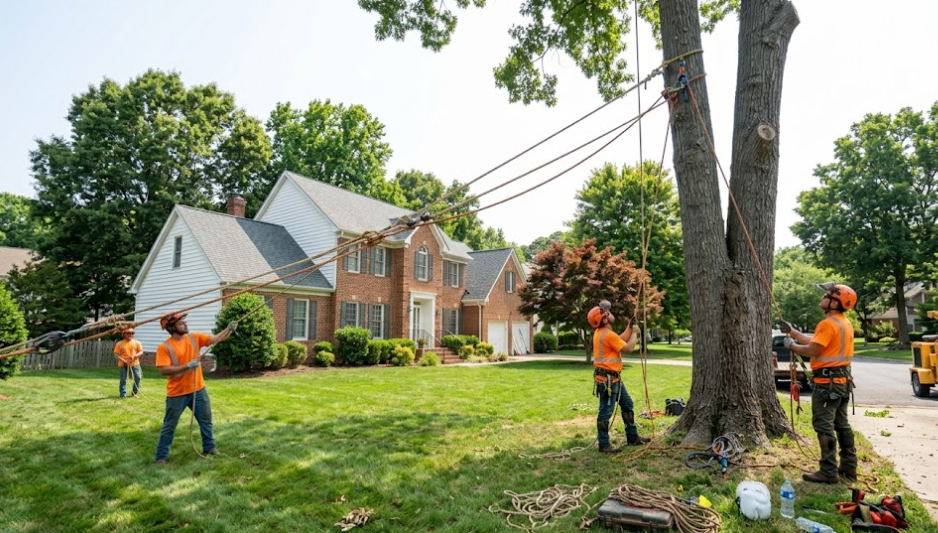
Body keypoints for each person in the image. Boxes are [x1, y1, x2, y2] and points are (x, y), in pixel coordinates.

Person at [781, 282, 858, 484]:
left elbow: (812, 350)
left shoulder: (827, 324)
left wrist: (792, 346)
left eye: (826, 295)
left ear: (834, 302)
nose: (822, 298)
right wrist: (793, 332)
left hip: (827, 384)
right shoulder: (843, 322)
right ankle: (849, 468)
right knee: (842, 425)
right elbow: (817, 341)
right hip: (842, 382)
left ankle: (828, 471)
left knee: (824, 427)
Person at [154, 311, 237, 464]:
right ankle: (161, 457)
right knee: (169, 426)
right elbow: (163, 370)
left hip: (198, 389)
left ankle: (209, 448)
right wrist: (187, 365)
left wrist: (228, 329)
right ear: (171, 328)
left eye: (184, 322)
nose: (185, 324)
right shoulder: (164, 347)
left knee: (206, 420)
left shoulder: (194, 338)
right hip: (177, 394)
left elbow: (215, 339)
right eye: (180, 323)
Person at [589, 300, 651, 453]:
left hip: (613, 379)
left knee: (627, 404)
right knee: (605, 412)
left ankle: (632, 437)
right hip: (608, 382)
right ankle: (604, 444)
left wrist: (629, 327)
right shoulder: (607, 335)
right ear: (604, 319)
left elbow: (620, 339)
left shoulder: (604, 333)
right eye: (607, 313)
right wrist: (636, 333)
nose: (610, 314)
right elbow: (629, 347)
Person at [114, 327, 143, 398]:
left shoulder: (137, 343)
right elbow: (116, 354)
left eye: (132, 333)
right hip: (123, 364)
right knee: (123, 379)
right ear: (124, 334)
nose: (130, 334)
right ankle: (123, 394)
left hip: (135, 363)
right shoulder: (119, 344)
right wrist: (124, 361)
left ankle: (134, 392)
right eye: (128, 333)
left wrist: (135, 356)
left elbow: (141, 352)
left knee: (138, 378)